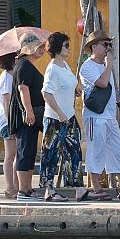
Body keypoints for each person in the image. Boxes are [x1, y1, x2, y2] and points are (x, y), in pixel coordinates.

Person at [79, 35, 120, 200]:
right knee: (96, 150)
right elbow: (102, 83)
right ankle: (96, 188)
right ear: (94, 47)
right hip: (95, 116)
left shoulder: (106, 66)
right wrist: (109, 64)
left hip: (110, 116)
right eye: (105, 44)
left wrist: (119, 100)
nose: (108, 47)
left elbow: (112, 87)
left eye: (110, 44)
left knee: (118, 150)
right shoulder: (87, 67)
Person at [38, 31, 85, 202]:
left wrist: (75, 90)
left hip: (69, 117)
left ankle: (79, 188)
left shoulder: (64, 66)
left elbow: (68, 85)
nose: (69, 48)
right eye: (66, 45)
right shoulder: (52, 69)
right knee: (50, 154)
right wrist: (59, 113)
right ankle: (49, 190)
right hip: (55, 118)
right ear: (58, 48)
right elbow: (46, 94)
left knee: (74, 152)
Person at [11, 36, 45, 199]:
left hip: (31, 116)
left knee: (30, 151)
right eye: (38, 47)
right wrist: (29, 111)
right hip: (26, 117)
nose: (42, 49)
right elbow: (23, 88)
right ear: (28, 48)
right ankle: (23, 190)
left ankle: (28, 188)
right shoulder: (24, 65)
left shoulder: (28, 65)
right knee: (24, 151)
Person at [0, 51, 21, 201]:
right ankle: (10, 187)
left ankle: (16, 186)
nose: (18, 59)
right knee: (10, 154)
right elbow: (6, 103)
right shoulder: (6, 78)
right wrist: (11, 124)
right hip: (8, 121)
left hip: (13, 120)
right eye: (16, 57)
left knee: (16, 154)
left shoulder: (13, 76)